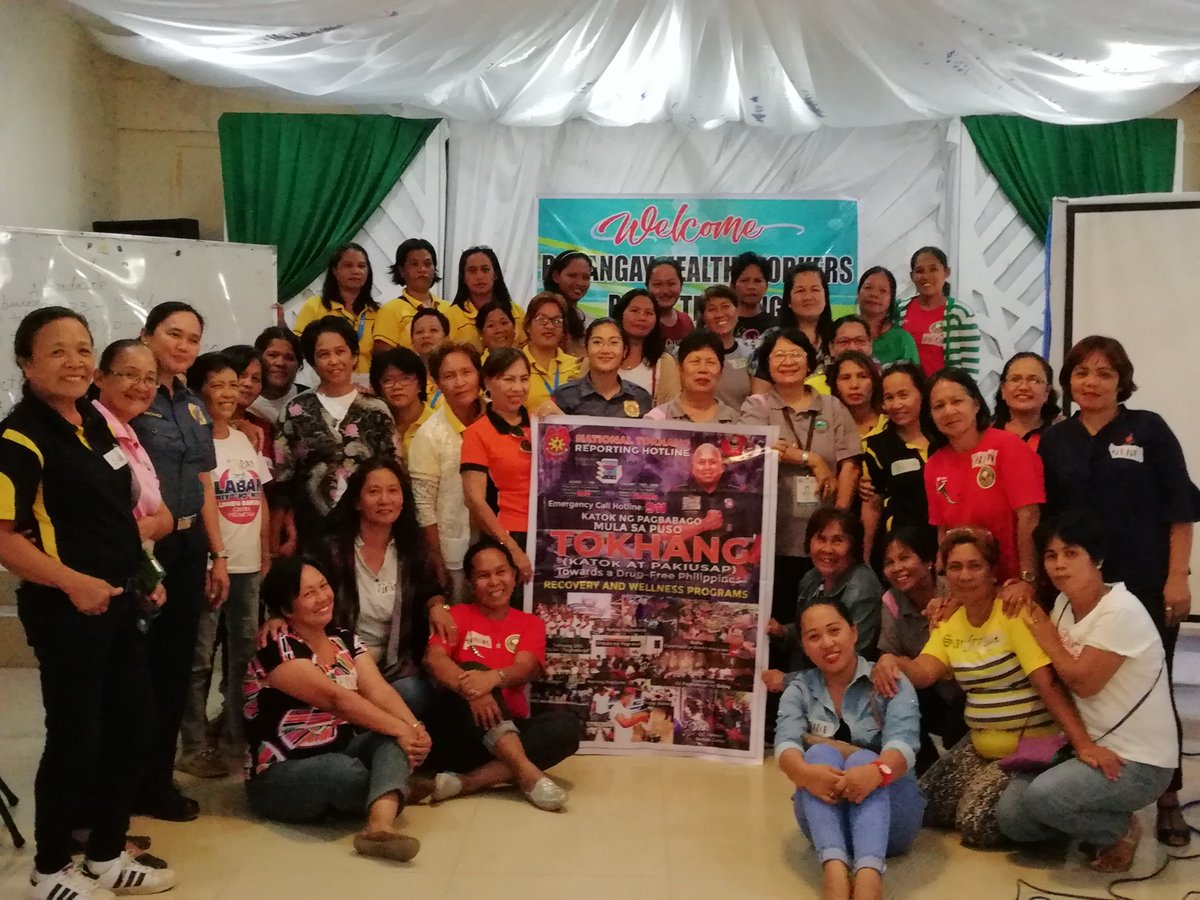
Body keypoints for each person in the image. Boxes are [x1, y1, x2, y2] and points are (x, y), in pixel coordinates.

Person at [0, 308, 177, 900]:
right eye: (57, 351)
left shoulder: (95, 420)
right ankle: (50, 868)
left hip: (122, 600)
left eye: (83, 349)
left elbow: (115, 515)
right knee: (76, 736)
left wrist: (143, 572)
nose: (75, 362)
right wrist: (73, 582)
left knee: (134, 724)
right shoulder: (19, 438)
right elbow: (4, 538)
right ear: (26, 364)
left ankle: (105, 853)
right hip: (67, 612)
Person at [1038, 335, 1200, 846]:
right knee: (1081, 683)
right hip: (1078, 588)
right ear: (1068, 380)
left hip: (1145, 582)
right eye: (1082, 372)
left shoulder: (1149, 429)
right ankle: (1095, 786)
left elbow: (1180, 509)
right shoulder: (1056, 439)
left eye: (1104, 373)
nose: (1092, 382)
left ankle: (1168, 798)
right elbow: (1048, 518)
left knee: (1154, 684)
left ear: (1121, 381)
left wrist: (1178, 575)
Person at [872, 528, 1087, 848]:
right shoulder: (948, 621)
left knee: (975, 825)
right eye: (955, 567)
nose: (965, 575)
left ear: (992, 571)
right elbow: (925, 672)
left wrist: (1081, 744)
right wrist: (893, 661)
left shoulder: (1014, 612)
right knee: (924, 807)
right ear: (945, 573)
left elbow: (1049, 685)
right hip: (980, 744)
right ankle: (987, 787)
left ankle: (1055, 817)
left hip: (1029, 747)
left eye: (975, 566)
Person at [995, 512, 1178, 872]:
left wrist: (1044, 631)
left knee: (1044, 797)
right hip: (1087, 747)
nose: (1059, 565)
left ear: (1098, 559)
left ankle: (1119, 830)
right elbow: (1055, 682)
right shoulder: (1064, 604)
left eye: (1071, 553)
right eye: (1051, 555)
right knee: (1012, 818)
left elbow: (1082, 683)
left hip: (1140, 761)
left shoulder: (1121, 611)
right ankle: (1086, 814)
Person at [243, 557, 431, 861]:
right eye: (309, 594)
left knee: (392, 741)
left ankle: (379, 827)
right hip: (282, 772)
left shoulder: (344, 639)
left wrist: (414, 729)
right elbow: (336, 699)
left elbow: (378, 689)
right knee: (343, 771)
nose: (322, 597)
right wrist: (401, 728)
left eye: (324, 586)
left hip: (341, 749)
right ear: (287, 609)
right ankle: (392, 789)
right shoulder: (276, 647)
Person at [132, 300, 229, 822]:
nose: (184, 346)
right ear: (145, 334)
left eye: (193, 338)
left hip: (190, 547)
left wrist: (218, 554)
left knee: (174, 665)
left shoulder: (193, 404)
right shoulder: (129, 398)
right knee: (137, 668)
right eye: (174, 333)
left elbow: (203, 481)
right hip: (145, 549)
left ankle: (156, 780)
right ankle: (124, 780)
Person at [775, 597, 923, 900]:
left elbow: (905, 745)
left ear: (854, 632)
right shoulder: (799, 689)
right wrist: (804, 773)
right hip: (825, 822)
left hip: (892, 819)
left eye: (834, 631)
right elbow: (785, 744)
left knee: (864, 758)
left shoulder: (888, 680)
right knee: (816, 756)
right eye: (814, 636)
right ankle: (835, 874)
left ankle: (869, 878)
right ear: (804, 646)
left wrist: (876, 772)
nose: (827, 643)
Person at [422, 539, 583, 810]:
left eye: (501, 572)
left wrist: (493, 678)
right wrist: (472, 689)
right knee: (472, 669)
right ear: (470, 583)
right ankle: (527, 773)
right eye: (484, 575)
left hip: (512, 732)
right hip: (462, 732)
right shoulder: (457, 616)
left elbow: (526, 667)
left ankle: (467, 782)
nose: (495, 582)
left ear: (514, 575)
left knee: (567, 727)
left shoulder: (530, 623)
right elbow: (434, 660)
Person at [178, 352, 271, 779]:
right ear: (198, 391)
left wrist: (265, 554)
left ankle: (237, 738)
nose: (230, 393)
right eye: (218, 385)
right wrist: (215, 557)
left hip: (249, 566)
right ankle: (194, 745)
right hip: (210, 565)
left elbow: (259, 497)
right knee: (199, 659)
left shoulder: (245, 438)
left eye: (234, 384)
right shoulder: (194, 441)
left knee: (244, 658)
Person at [311, 458, 455, 719]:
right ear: (357, 501)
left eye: (393, 490)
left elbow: (431, 589)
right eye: (374, 491)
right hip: (342, 663)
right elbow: (301, 590)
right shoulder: (331, 550)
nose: (385, 500)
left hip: (394, 666)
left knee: (416, 693)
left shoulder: (411, 548)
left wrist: (437, 606)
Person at [739, 329, 859, 626]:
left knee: (824, 620)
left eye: (795, 354)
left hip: (825, 541)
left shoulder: (832, 406)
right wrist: (812, 459)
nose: (788, 361)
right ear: (767, 363)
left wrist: (838, 521)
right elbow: (760, 449)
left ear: (810, 361)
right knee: (778, 623)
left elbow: (850, 464)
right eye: (779, 355)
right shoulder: (756, 406)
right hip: (774, 538)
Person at [273, 317, 397, 554]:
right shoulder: (295, 410)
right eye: (323, 354)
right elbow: (284, 477)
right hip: (310, 530)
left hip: (369, 527)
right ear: (312, 362)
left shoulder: (376, 409)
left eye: (340, 351)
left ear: (354, 356)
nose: (333, 361)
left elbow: (394, 469)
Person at [923, 368, 1043, 593]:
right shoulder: (934, 465)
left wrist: (1028, 579)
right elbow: (943, 532)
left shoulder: (1008, 446)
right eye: (939, 406)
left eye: (957, 401)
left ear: (976, 405)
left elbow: (1029, 517)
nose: (949, 411)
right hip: (967, 585)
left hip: (1012, 583)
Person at [877, 526, 966, 774]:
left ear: (928, 560)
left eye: (905, 558)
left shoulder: (954, 590)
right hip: (928, 690)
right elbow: (889, 654)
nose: (897, 568)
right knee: (887, 687)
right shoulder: (892, 601)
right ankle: (922, 768)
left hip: (965, 688)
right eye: (889, 562)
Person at [764, 509, 883, 688]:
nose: (827, 549)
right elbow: (812, 633)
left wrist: (788, 682)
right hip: (809, 688)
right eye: (821, 539)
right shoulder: (811, 578)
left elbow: (850, 664)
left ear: (853, 546)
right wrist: (782, 632)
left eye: (837, 541)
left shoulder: (862, 589)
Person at [408, 342, 485, 603]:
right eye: (449, 376)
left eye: (467, 372)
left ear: (479, 374)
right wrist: (436, 558)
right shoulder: (429, 435)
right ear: (437, 383)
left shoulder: (500, 417)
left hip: (503, 544)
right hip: (456, 551)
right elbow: (424, 506)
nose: (460, 382)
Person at [461, 347, 534, 585]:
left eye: (524, 379)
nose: (518, 388)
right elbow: (474, 499)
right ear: (488, 383)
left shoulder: (542, 425)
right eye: (508, 380)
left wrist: (559, 418)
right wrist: (511, 549)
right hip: (506, 538)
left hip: (547, 533)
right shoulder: (477, 433)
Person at [90, 339, 174, 543]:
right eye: (130, 375)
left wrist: (153, 524)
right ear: (99, 378)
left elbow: (164, 516)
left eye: (150, 379)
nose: (141, 386)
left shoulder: (129, 434)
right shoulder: (86, 430)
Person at [861, 363, 936, 563]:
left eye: (903, 395)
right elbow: (872, 506)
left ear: (922, 394)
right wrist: (864, 558)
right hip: (902, 550)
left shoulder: (944, 438)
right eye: (889, 397)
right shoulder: (877, 446)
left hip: (947, 543)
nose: (896, 404)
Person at [292, 243, 379, 377]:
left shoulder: (377, 312)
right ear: (334, 271)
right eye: (348, 265)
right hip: (328, 381)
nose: (356, 271)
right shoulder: (315, 306)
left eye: (361, 266)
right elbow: (299, 349)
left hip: (368, 384)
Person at [899, 246, 980, 377]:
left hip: (945, 389)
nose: (926, 276)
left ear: (946, 272)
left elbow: (970, 371)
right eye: (919, 271)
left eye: (933, 269)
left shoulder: (960, 314)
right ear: (912, 276)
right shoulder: (900, 310)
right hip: (906, 389)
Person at [552, 319, 653, 418]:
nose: (605, 350)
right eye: (597, 342)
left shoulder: (640, 397)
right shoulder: (565, 395)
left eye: (614, 342)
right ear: (586, 349)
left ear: (625, 351)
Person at [646, 330, 738, 423]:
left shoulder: (734, 421)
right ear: (680, 368)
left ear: (721, 371)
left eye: (710, 362)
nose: (703, 369)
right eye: (695, 361)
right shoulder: (657, 419)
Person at [373, 237, 446, 352]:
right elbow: (384, 357)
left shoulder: (449, 309)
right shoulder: (390, 311)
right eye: (414, 264)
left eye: (427, 264)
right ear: (401, 270)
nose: (422, 269)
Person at [445, 245, 524, 349]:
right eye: (472, 271)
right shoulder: (450, 317)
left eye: (485, 269)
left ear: (495, 275)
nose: (479, 276)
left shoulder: (517, 313)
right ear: (463, 277)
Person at [611, 288, 681, 405]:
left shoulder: (664, 363)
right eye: (634, 311)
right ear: (620, 314)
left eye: (648, 313)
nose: (642, 317)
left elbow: (673, 408)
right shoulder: (599, 356)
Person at [522, 292, 581, 415]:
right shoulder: (515, 365)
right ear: (528, 325)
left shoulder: (577, 365)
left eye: (556, 321)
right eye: (542, 319)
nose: (549, 326)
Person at [370, 347, 431, 458]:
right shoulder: (376, 425)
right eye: (388, 380)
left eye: (405, 378)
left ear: (420, 384)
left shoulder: (436, 423)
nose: (397, 386)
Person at [992, 352, 1061, 451]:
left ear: (1047, 391)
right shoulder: (982, 433)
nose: (1023, 387)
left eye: (1034, 380)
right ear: (1003, 389)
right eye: (1015, 379)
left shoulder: (1063, 435)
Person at [699, 284, 753, 409]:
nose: (719, 314)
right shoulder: (689, 354)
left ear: (738, 311)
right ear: (703, 317)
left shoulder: (751, 355)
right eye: (712, 309)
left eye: (725, 307)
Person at [777, 262, 835, 373]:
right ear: (788, 300)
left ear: (825, 297)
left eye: (815, 290)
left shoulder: (839, 337)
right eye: (800, 290)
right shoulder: (771, 339)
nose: (808, 297)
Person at [856, 266, 919, 367]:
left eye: (883, 291)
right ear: (858, 294)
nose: (874, 294)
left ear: (891, 299)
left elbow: (912, 375)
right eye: (868, 288)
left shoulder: (902, 340)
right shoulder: (844, 331)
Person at [249, 326, 308, 422]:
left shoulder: (309, 400)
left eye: (289, 358)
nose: (280, 363)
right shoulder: (244, 402)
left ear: (298, 364)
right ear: (257, 359)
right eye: (272, 355)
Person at [543, 250, 594, 356]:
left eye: (585, 277)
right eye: (572, 275)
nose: (580, 283)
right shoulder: (543, 310)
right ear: (556, 276)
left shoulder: (587, 319)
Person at [827, 350, 886, 441]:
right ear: (835, 385)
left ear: (874, 382)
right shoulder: (827, 428)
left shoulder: (891, 422)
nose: (854, 385)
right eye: (846, 378)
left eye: (862, 376)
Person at [407, 307, 452, 404]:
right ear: (412, 341)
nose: (426, 336)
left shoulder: (458, 373)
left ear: (447, 338)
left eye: (433, 330)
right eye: (419, 332)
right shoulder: (409, 378)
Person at [730, 251, 775, 343]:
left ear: (766, 286)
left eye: (757, 281)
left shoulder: (776, 327)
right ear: (733, 286)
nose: (751, 286)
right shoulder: (723, 325)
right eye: (744, 281)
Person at [646, 257, 694, 344]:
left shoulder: (686, 321)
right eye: (657, 284)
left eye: (671, 283)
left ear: (681, 285)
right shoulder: (640, 322)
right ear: (647, 286)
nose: (665, 291)